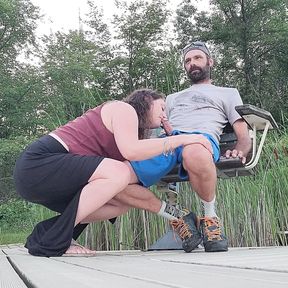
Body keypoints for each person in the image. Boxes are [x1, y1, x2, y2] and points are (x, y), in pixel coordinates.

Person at [13, 88, 212, 257]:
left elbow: (132, 166)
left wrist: (174, 144)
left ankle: (49, 233)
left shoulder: (131, 132)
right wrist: (184, 139)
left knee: (120, 205)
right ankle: (56, 240)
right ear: (146, 100)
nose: (164, 115)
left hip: (47, 180)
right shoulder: (123, 109)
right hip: (38, 165)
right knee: (118, 173)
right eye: (161, 108)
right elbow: (131, 151)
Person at [129, 41, 252, 253]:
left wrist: (241, 148)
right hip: (169, 142)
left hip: (200, 139)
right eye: (187, 61)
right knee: (117, 173)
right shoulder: (173, 98)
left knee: (193, 151)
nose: (192, 63)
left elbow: (242, 131)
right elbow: (160, 124)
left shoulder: (227, 93)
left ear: (209, 62)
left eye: (197, 58)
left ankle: (210, 218)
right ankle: (178, 217)